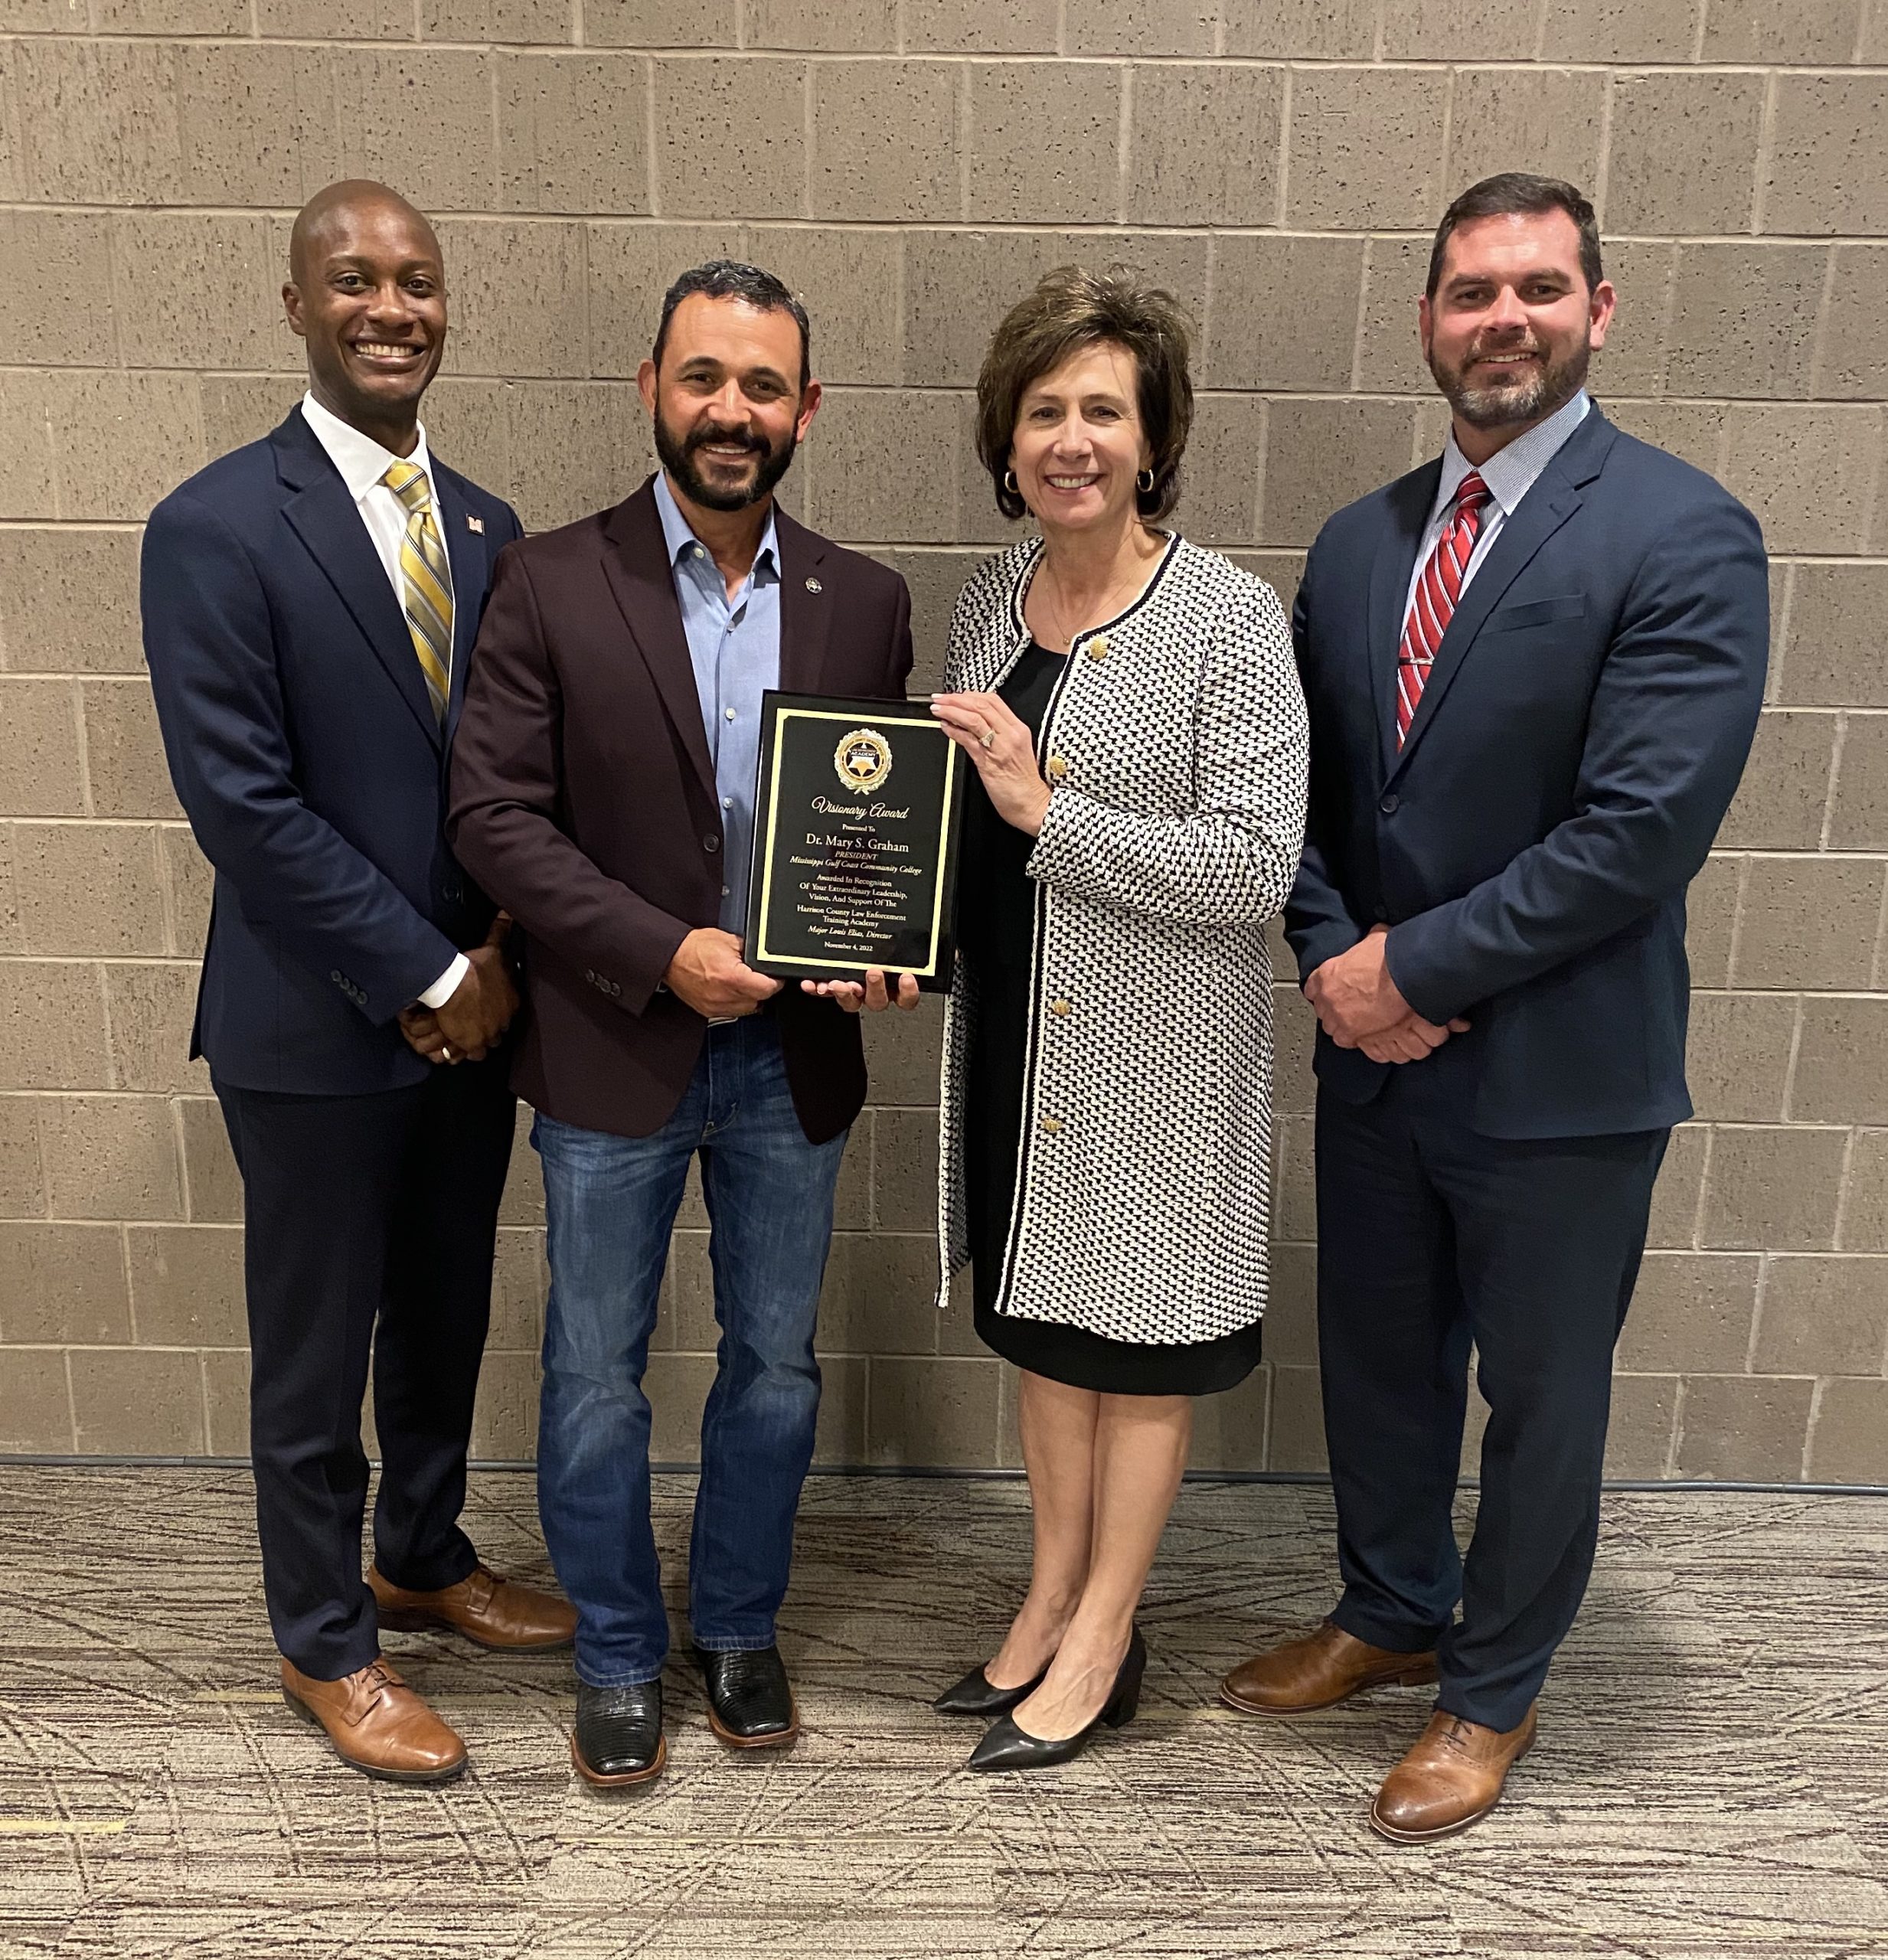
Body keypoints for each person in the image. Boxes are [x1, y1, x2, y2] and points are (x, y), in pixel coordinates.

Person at [1219, 174, 1768, 1842]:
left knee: (1540, 1396)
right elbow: (1291, 789)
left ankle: (1492, 1683)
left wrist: (1410, 971)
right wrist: (1336, 960)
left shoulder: (1685, 532)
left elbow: (1639, 831)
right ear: (1428, 321)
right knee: (1378, 1364)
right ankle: (1391, 1608)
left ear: (1600, 308)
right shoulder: (1359, 540)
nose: (1503, 320)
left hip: (1561, 1079)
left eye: (1537, 288)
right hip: (1374, 1059)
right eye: (1471, 292)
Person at [447, 262, 915, 1789]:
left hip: (792, 1060)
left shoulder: (867, 600)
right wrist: (663, 951)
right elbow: (494, 817)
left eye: (764, 385)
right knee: (594, 1369)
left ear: (807, 408)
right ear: (649, 386)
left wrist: (880, 951)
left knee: (775, 1363)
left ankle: (738, 1626)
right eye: (704, 377)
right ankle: (616, 1646)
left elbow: (878, 838)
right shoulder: (550, 578)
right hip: (610, 1043)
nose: (734, 410)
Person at [141, 181, 576, 1786]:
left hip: (479, 1019)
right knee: (315, 1346)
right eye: (355, 280)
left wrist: (505, 960)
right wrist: (422, 966)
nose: (392, 306)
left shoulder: (489, 528)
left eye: (418, 281)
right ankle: (326, 1635)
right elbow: (241, 803)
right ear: (296, 304)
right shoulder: (214, 524)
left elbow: (521, 774)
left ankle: (423, 1550)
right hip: (313, 1019)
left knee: (446, 1307)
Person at [915, 268, 1307, 1772]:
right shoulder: (981, 604)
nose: (1070, 437)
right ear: (1005, 439)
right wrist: (900, 939)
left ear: (1153, 439)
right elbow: (961, 839)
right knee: (1048, 1343)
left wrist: (1046, 802)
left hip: (1155, 1058)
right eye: (1042, 410)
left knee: (1135, 1349)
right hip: (1017, 1037)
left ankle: (1105, 1633)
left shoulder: (1225, 618)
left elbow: (1253, 865)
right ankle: (1050, 1593)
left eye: (1102, 409)